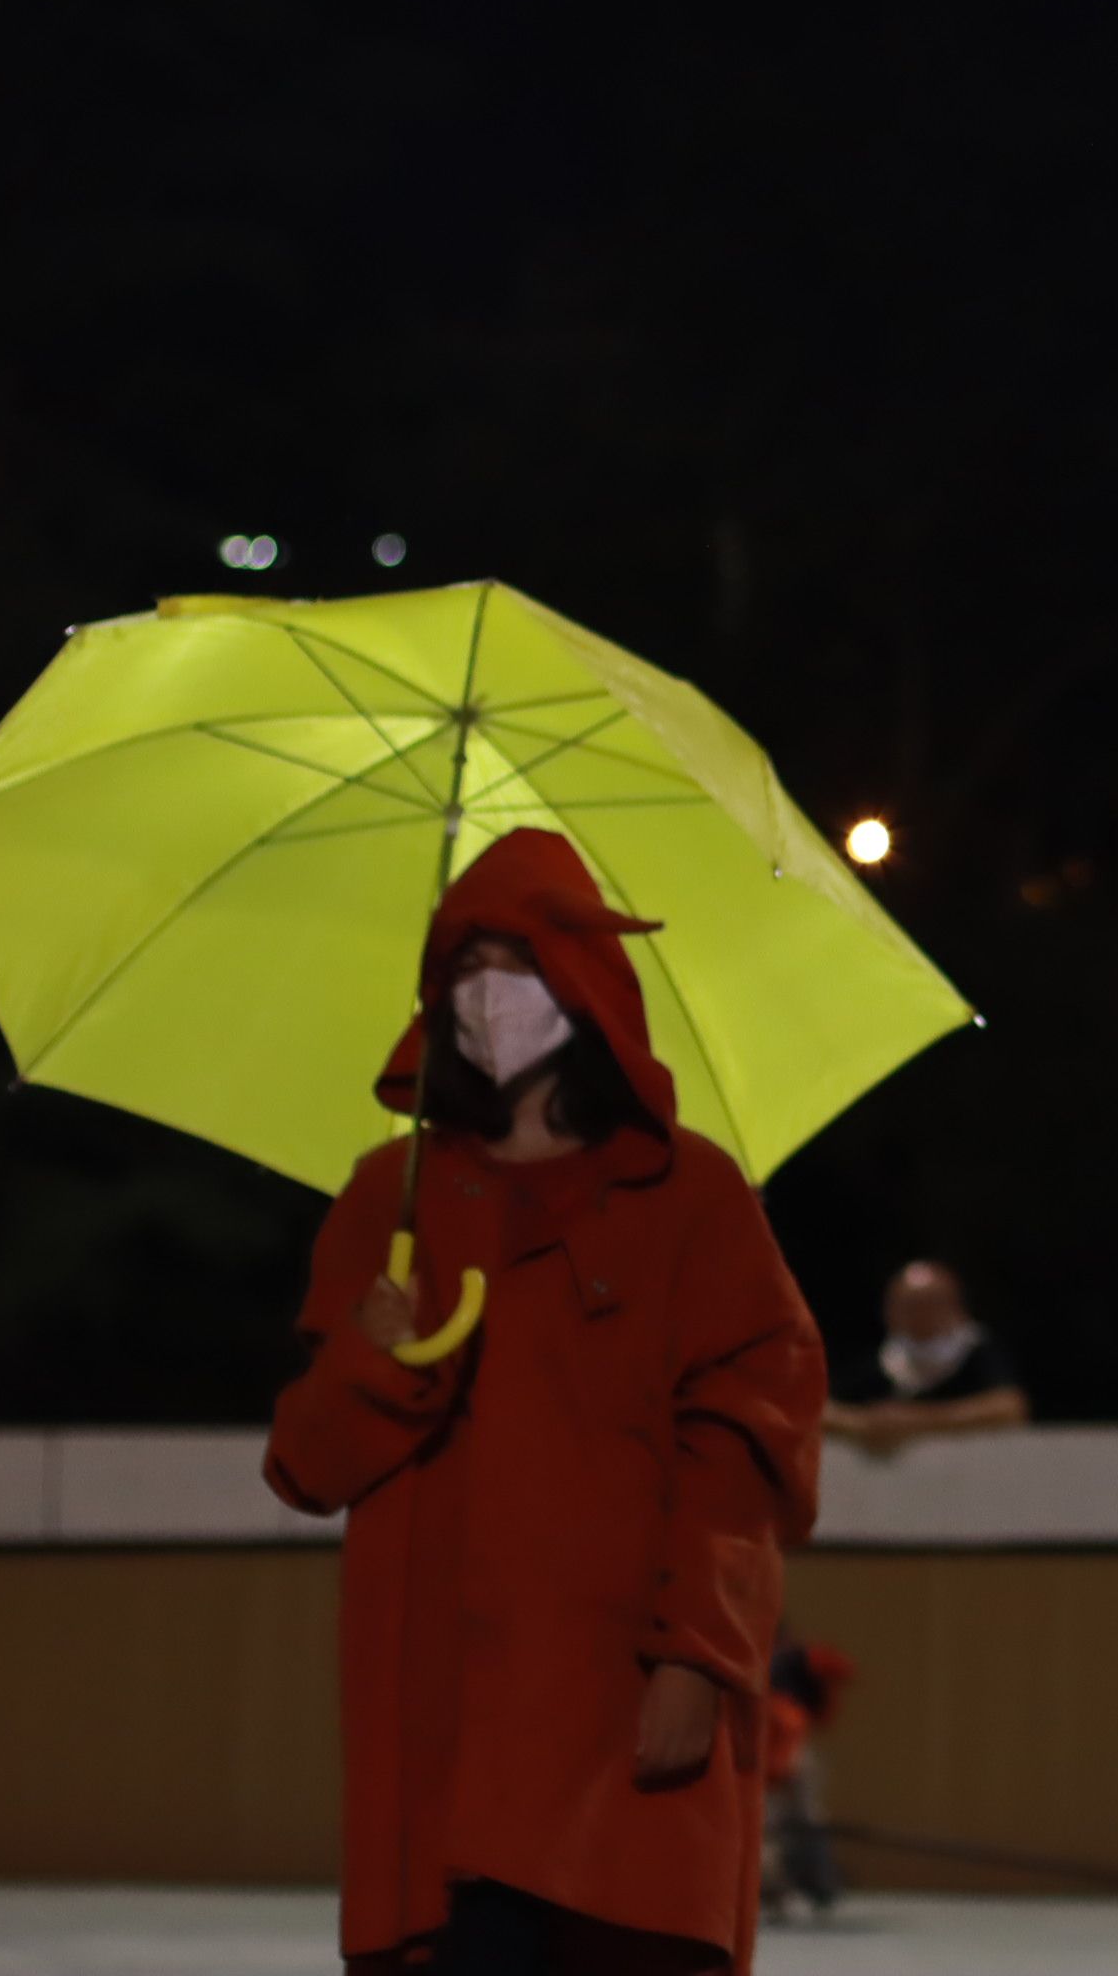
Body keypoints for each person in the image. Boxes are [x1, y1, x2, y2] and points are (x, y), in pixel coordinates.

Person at [263, 829, 826, 1976]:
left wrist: (696, 1655)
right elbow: (306, 1468)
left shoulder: (693, 1195)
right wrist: (372, 1362)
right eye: (458, 973)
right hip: (448, 1709)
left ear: (583, 985)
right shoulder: (394, 1195)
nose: (482, 998)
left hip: (622, 1695)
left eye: (510, 969)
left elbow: (746, 1447)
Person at [824, 1260, 1029, 1453]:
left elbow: (1009, 1409)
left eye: (930, 1304)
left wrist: (915, 1421)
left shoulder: (978, 1352)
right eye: (908, 1306)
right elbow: (820, 1411)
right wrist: (866, 1425)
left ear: (956, 1306)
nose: (919, 1316)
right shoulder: (883, 1361)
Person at [759, 1627, 856, 1924]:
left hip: (784, 1753)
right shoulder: (782, 1677)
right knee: (785, 1824)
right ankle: (797, 1885)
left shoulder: (792, 1667)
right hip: (779, 1754)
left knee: (796, 1822)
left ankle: (811, 1882)